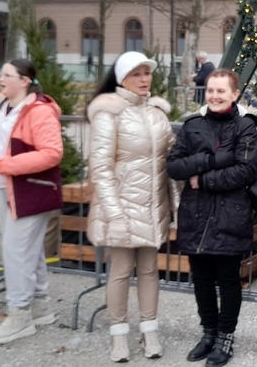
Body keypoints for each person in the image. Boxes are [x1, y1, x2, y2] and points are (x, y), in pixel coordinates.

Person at [167, 68, 257, 366]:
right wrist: (212, 160)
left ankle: (225, 336)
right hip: (196, 214)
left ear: (235, 94)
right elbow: (174, 166)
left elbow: (245, 170)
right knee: (202, 279)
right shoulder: (192, 125)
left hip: (230, 214)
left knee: (228, 279)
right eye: (210, 90)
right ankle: (208, 332)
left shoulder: (245, 126)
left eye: (221, 91)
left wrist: (203, 179)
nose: (214, 96)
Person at [87, 51, 176, 362]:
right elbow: (101, 168)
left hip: (152, 207)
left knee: (150, 270)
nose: (144, 79)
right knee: (121, 271)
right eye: (136, 74)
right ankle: (119, 335)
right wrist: (114, 214)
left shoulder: (157, 113)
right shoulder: (108, 114)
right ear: (122, 78)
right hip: (122, 207)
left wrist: (176, 207)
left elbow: (170, 162)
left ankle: (150, 331)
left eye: (146, 73)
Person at [0, 59, 65, 345]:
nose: (1, 78)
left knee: (16, 251)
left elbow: (52, 152)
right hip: (5, 186)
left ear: (24, 81)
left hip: (30, 189)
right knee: (27, 249)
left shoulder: (39, 111)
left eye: (7, 75)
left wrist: (6, 166)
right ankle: (40, 305)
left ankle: (19, 315)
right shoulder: (2, 107)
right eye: (1, 74)